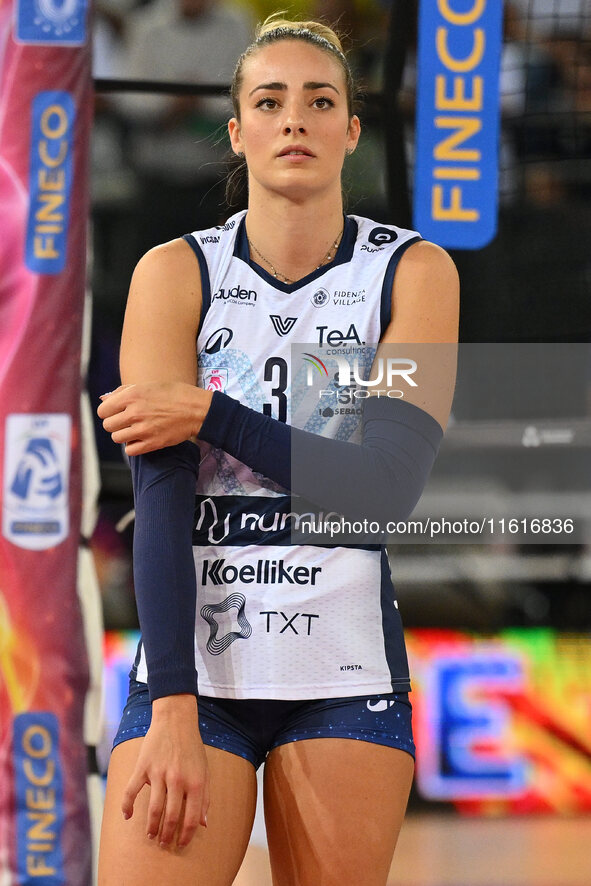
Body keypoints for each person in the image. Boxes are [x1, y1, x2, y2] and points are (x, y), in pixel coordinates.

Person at [97, 15, 459, 886]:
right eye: (269, 100)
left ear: (351, 130)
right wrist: (173, 707)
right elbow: (164, 501)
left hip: (339, 663)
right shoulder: (173, 273)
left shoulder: (412, 273)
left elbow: (379, 493)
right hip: (197, 667)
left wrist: (208, 414)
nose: (293, 119)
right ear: (238, 131)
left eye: (318, 100)